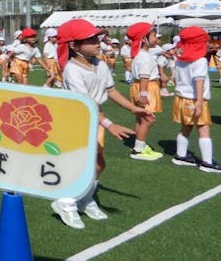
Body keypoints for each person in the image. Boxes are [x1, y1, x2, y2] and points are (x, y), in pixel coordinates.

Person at [51, 18, 154, 229]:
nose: (97, 42)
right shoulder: (72, 70)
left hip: (95, 118)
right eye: (90, 39)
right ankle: (66, 203)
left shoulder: (99, 64)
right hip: (79, 120)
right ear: (73, 46)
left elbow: (110, 90)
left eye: (97, 37)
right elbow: (86, 104)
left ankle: (84, 200)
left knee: (98, 164)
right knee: (81, 164)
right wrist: (109, 125)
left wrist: (134, 108)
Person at [170, 27, 221, 172]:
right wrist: (199, 102)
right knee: (204, 129)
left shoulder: (180, 60)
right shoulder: (200, 61)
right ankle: (207, 162)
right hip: (195, 99)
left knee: (185, 128)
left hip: (181, 97)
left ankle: (180, 156)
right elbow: (199, 80)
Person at [126, 22, 164, 161]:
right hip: (146, 88)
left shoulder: (139, 55)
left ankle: (139, 143)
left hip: (138, 87)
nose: (156, 38)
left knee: (141, 118)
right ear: (143, 39)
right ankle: (138, 149)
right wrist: (143, 94)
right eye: (153, 35)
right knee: (148, 119)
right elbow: (144, 77)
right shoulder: (145, 56)